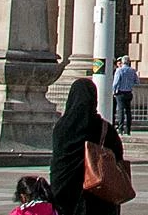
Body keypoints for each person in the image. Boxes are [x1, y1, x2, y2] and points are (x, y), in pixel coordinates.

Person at [48, 77, 126, 215]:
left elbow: (57, 160)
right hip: (98, 194)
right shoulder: (104, 128)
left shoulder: (61, 127)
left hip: (64, 193)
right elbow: (118, 156)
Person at [108, 56, 139, 133]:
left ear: (122, 62)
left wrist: (113, 91)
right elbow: (137, 81)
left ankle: (121, 128)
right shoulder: (132, 70)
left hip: (120, 93)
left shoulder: (119, 70)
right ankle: (128, 129)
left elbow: (116, 82)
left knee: (120, 110)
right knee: (128, 111)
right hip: (129, 92)